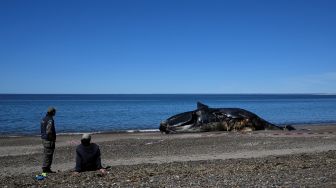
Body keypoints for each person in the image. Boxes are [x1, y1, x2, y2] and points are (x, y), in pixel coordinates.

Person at [40, 107, 57, 173]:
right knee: (49, 154)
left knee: (46, 153)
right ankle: (46, 169)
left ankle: (46, 168)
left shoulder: (43, 119)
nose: (55, 113)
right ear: (52, 112)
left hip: (43, 138)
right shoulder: (50, 119)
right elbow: (49, 130)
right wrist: (52, 138)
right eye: (55, 112)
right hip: (48, 139)